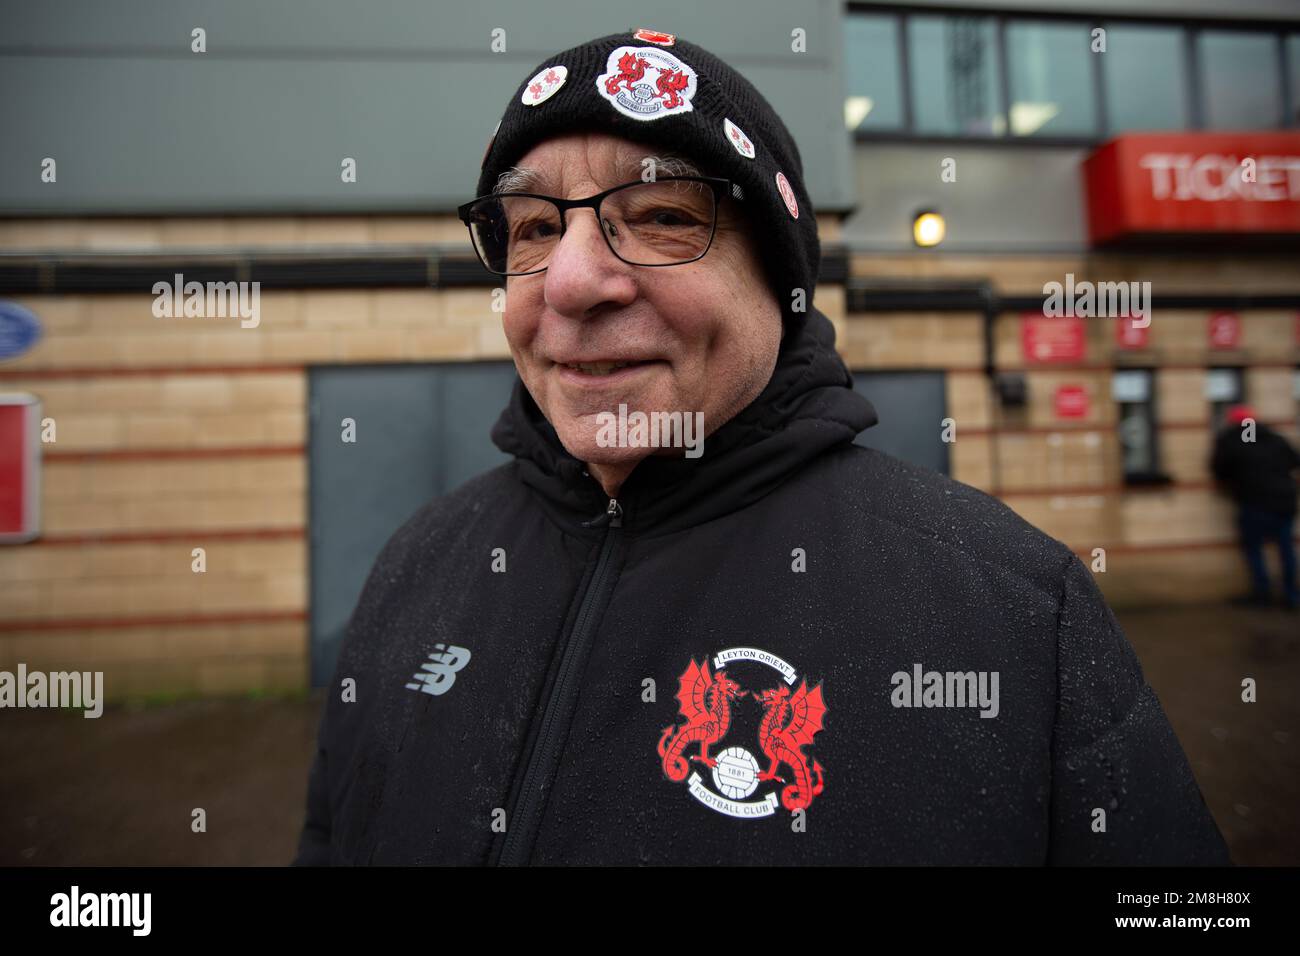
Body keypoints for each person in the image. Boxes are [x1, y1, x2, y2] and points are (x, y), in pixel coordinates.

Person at [293, 29, 1229, 865]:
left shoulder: (1019, 612)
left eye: (661, 215)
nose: (570, 282)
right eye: (535, 228)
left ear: (778, 279)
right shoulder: (419, 565)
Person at [1211, 404, 1300, 609]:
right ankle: (1291, 594)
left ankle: (1262, 594)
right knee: (1286, 548)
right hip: (1283, 501)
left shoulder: (1232, 440)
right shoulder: (1274, 437)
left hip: (1255, 502)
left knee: (1255, 549)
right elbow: (1294, 460)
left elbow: (1220, 468)